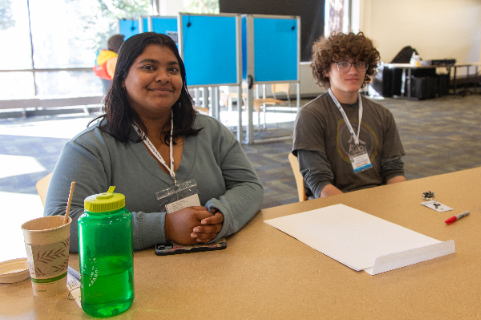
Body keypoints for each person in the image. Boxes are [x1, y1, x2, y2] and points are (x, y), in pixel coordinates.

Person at [45, 32, 264, 253]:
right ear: (122, 78)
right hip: (133, 279)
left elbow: (249, 185)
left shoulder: (210, 131)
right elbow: (59, 226)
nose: (163, 77)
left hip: (221, 268)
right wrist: (164, 227)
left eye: (173, 69)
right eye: (149, 67)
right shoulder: (91, 147)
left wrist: (222, 215)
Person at [292, 32, 405, 199]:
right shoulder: (311, 116)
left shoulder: (383, 115)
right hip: (333, 204)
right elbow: (319, 182)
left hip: (379, 201)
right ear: (326, 70)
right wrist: (357, 211)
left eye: (359, 63)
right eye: (343, 63)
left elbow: (393, 170)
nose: (353, 71)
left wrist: (401, 201)